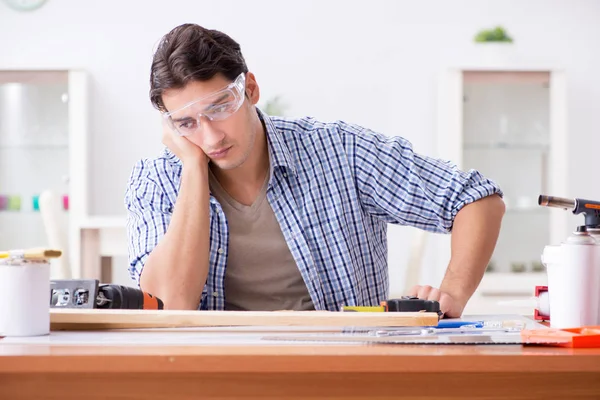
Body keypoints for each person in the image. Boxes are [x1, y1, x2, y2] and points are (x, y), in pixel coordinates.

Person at [124, 23, 505, 317]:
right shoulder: (158, 179)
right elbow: (170, 305)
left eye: (220, 107)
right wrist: (193, 169)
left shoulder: (341, 151)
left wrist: (452, 293)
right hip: (219, 376)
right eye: (186, 122)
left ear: (250, 90)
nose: (209, 137)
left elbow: (476, 198)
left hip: (340, 371)